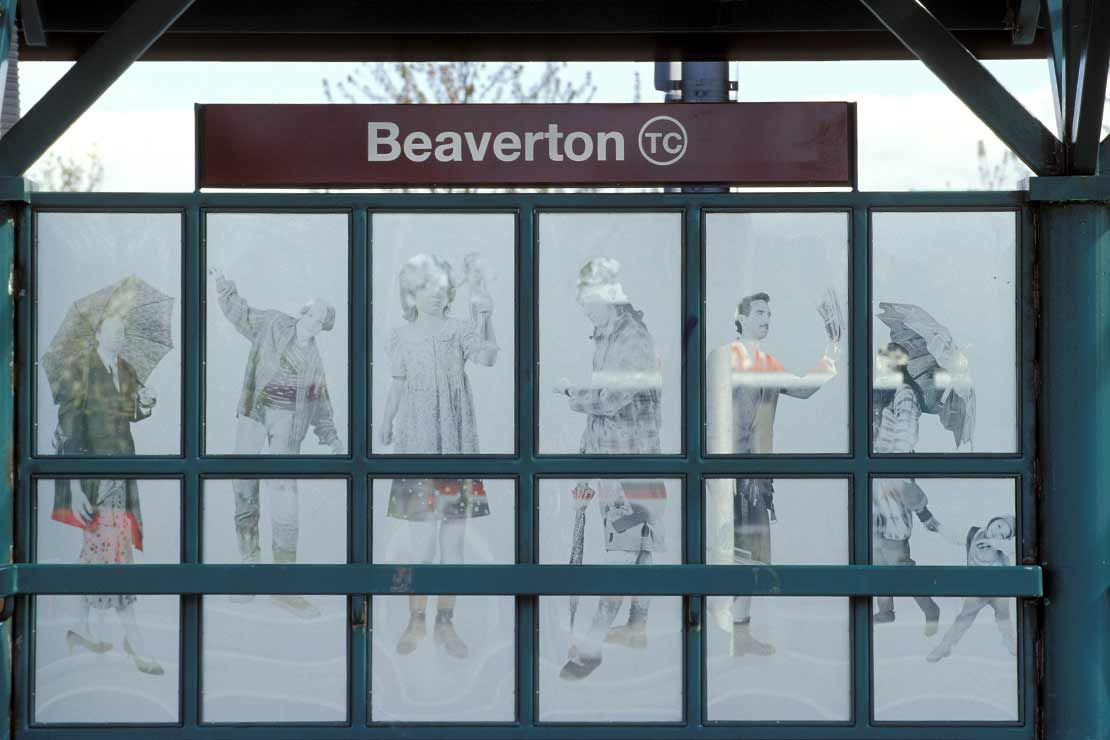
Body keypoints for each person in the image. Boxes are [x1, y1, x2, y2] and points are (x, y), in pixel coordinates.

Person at [705, 291, 840, 656]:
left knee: (750, 550)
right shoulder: (723, 358)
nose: (767, 318)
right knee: (725, 548)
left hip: (755, 474)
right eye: (760, 312)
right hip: (726, 470)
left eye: (769, 312)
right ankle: (720, 632)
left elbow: (804, 388)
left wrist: (833, 349)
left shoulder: (765, 361)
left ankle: (741, 634)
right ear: (742, 317)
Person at [378, 254, 498, 659]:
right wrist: (386, 422)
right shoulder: (399, 336)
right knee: (420, 545)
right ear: (409, 295)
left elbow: (488, 356)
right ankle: (415, 618)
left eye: (438, 286)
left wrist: (485, 313)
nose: (433, 295)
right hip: (417, 447)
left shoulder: (459, 330)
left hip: (455, 448)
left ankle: (446, 622)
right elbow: (396, 385)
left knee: (454, 544)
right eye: (423, 287)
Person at [553, 256, 665, 680]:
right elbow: (601, 411)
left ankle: (592, 644)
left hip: (631, 459)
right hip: (615, 457)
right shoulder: (607, 336)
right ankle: (634, 626)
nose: (583, 308)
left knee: (626, 548)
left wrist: (570, 392)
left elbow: (610, 400)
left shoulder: (631, 338)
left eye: (586, 299)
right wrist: (585, 464)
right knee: (637, 547)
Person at [209, 267, 344, 619]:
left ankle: (284, 585)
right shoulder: (272, 324)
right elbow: (241, 314)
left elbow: (321, 404)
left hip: (289, 423)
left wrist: (332, 439)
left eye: (323, 319)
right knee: (243, 486)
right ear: (304, 311)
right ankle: (250, 571)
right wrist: (224, 287)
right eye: (314, 312)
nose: (315, 321)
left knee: (285, 495)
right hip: (255, 412)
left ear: (323, 326)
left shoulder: (314, 360)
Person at [51, 314, 164, 675]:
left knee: (102, 549)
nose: (120, 334)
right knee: (114, 552)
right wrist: (71, 488)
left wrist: (145, 403)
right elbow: (68, 432)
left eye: (123, 329)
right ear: (98, 332)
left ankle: (79, 627)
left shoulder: (125, 368)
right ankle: (135, 639)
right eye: (114, 328)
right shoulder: (80, 368)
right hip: (93, 477)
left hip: (121, 472)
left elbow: (128, 413)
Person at [871, 343, 942, 634]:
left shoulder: (905, 394)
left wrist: (923, 511)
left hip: (890, 479)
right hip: (871, 482)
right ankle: (885, 610)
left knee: (897, 557)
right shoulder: (878, 394)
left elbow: (905, 438)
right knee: (872, 553)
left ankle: (929, 607)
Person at [927, 516, 1018, 662]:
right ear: (993, 521)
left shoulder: (1004, 546)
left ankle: (1009, 641)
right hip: (978, 589)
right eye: (999, 526)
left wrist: (994, 543)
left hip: (999, 590)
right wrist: (939, 528)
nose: (997, 533)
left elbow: (1013, 548)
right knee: (964, 618)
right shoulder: (973, 533)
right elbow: (955, 535)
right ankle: (945, 646)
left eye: (1003, 535)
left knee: (1004, 617)